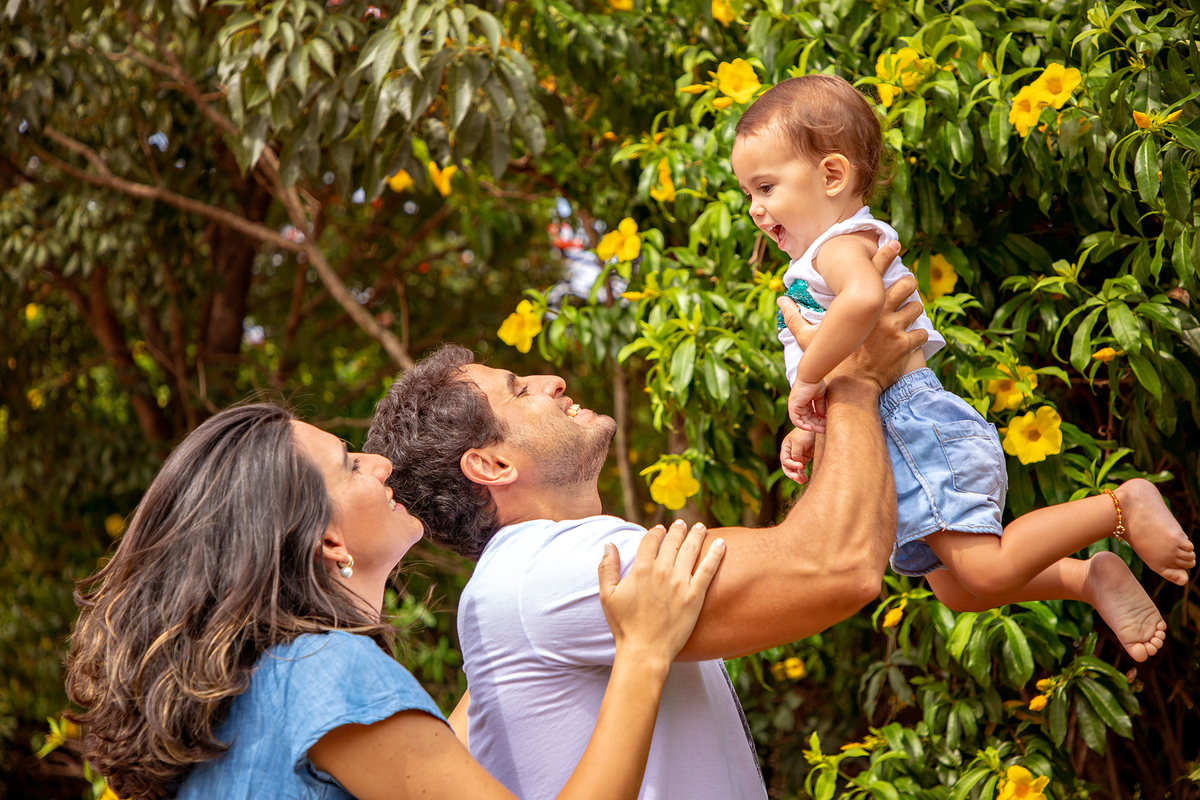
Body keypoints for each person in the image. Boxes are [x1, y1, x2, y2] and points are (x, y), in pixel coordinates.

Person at [364, 257, 928, 799]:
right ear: (492, 465)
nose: (552, 381)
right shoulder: (545, 570)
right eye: (518, 389)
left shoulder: (535, 577)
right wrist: (855, 377)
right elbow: (836, 565)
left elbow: (831, 551)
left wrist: (828, 398)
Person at [730, 73, 1194, 663]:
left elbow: (864, 304)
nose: (755, 208)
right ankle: (1083, 578)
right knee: (959, 590)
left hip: (915, 424)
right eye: (749, 193)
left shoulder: (838, 246)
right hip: (896, 432)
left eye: (766, 186)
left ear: (831, 175)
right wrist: (811, 422)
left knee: (988, 569)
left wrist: (807, 380)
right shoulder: (818, 257)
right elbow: (848, 350)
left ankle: (1120, 507)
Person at [64, 403, 727, 800]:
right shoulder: (327, 674)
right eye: (351, 463)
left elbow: (452, 758)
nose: (379, 464)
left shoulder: (261, 690)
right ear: (326, 539)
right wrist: (641, 652)